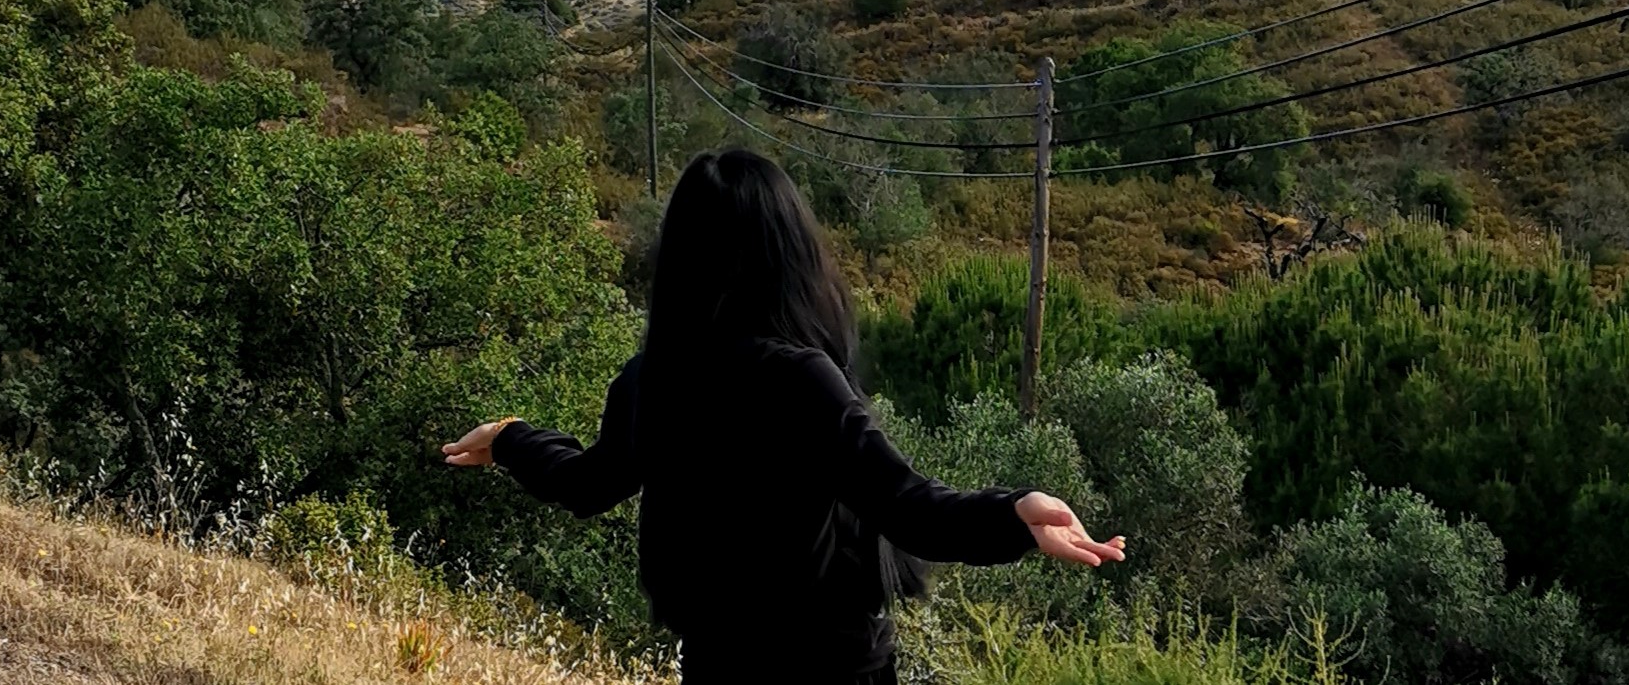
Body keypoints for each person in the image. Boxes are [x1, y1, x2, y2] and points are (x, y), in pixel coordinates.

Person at [442, 149, 1125, 683]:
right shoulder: (799, 378)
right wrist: (1016, 516)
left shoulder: (653, 377)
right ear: (789, 252)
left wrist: (511, 438)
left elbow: (590, 482)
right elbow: (908, 506)